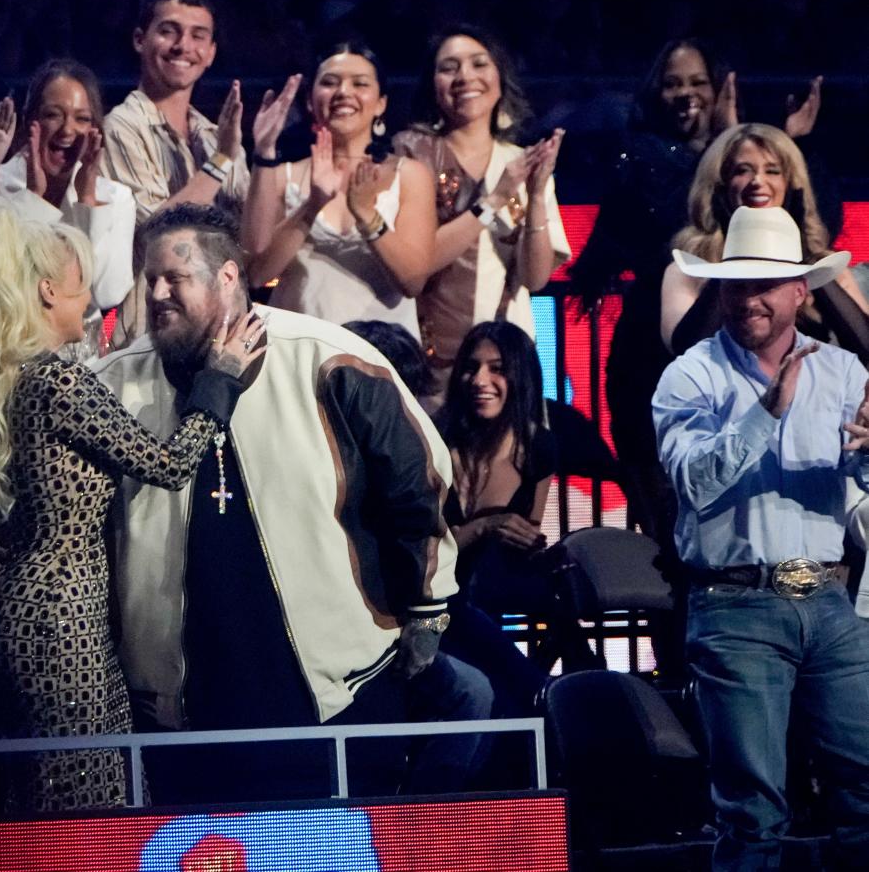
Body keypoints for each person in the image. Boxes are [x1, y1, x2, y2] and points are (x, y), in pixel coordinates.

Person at [90, 204, 465, 800]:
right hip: (175, 712)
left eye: (175, 278)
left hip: (336, 695)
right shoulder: (111, 384)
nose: (157, 293)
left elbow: (420, 484)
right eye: (150, 278)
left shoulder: (329, 358)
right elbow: (17, 494)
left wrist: (427, 610)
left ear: (229, 278)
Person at [0, 199, 261, 811]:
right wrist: (219, 378)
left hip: (6, 615)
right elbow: (168, 465)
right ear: (46, 291)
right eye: (80, 283)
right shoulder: (59, 381)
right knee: (87, 807)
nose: (93, 297)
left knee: (26, 802)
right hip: (61, 627)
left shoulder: (8, 377)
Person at [652, 205, 869, 871]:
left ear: (800, 291)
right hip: (735, 606)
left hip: (831, 604)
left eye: (765, 284)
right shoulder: (690, 375)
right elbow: (692, 480)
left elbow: (859, 499)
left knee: (865, 794)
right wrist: (765, 412)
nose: (749, 297)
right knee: (751, 814)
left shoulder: (844, 374)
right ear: (718, 289)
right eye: (737, 284)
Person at [568, 39, 823, 548]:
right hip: (656, 361)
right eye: (673, 82)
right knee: (676, 534)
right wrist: (726, 145)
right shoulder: (641, 156)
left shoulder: (746, 165)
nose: (686, 93)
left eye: (698, 82)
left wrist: (789, 148)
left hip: (758, 394)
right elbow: (677, 219)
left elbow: (815, 226)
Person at [392, 26, 569, 407]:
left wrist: (535, 193)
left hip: (507, 359)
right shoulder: (412, 154)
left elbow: (536, 279)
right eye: (449, 68)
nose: (465, 77)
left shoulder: (519, 161)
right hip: (430, 359)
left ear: (500, 79)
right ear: (432, 84)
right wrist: (495, 198)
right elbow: (415, 264)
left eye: (478, 64)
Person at [243, 42, 437, 342]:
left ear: (381, 103)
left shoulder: (410, 175)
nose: (343, 92)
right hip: (301, 350)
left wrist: (367, 215)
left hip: (382, 356)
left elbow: (412, 281)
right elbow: (255, 274)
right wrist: (313, 205)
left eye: (359, 83)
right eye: (330, 83)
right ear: (310, 101)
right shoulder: (283, 175)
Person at [437, 321, 597, 678]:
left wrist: (533, 545)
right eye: (471, 367)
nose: (480, 380)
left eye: (497, 369)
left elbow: (527, 533)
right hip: (437, 598)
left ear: (519, 376)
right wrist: (484, 527)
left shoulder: (538, 446)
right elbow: (427, 553)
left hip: (493, 591)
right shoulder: (435, 442)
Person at [97, 0, 249, 348]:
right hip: (152, 333)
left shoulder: (218, 136)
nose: (183, 46)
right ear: (140, 39)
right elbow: (157, 233)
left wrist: (270, 152)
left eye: (198, 36)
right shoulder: (120, 127)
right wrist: (218, 164)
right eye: (169, 31)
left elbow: (248, 239)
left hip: (223, 330)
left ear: (211, 53)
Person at [0, 59, 135, 360]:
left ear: (95, 129)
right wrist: (35, 199)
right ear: (32, 122)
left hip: (85, 364)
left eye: (82, 119)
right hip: (4, 356)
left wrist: (88, 199)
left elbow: (107, 292)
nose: (68, 130)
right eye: (54, 115)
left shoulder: (116, 198)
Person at [661, 123, 868, 358]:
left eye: (772, 171)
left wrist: (803, 253)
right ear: (719, 185)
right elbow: (686, 351)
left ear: (791, 185)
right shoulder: (689, 270)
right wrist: (733, 254)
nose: (758, 181)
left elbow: (864, 344)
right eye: (742, 171)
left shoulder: (828, 266)